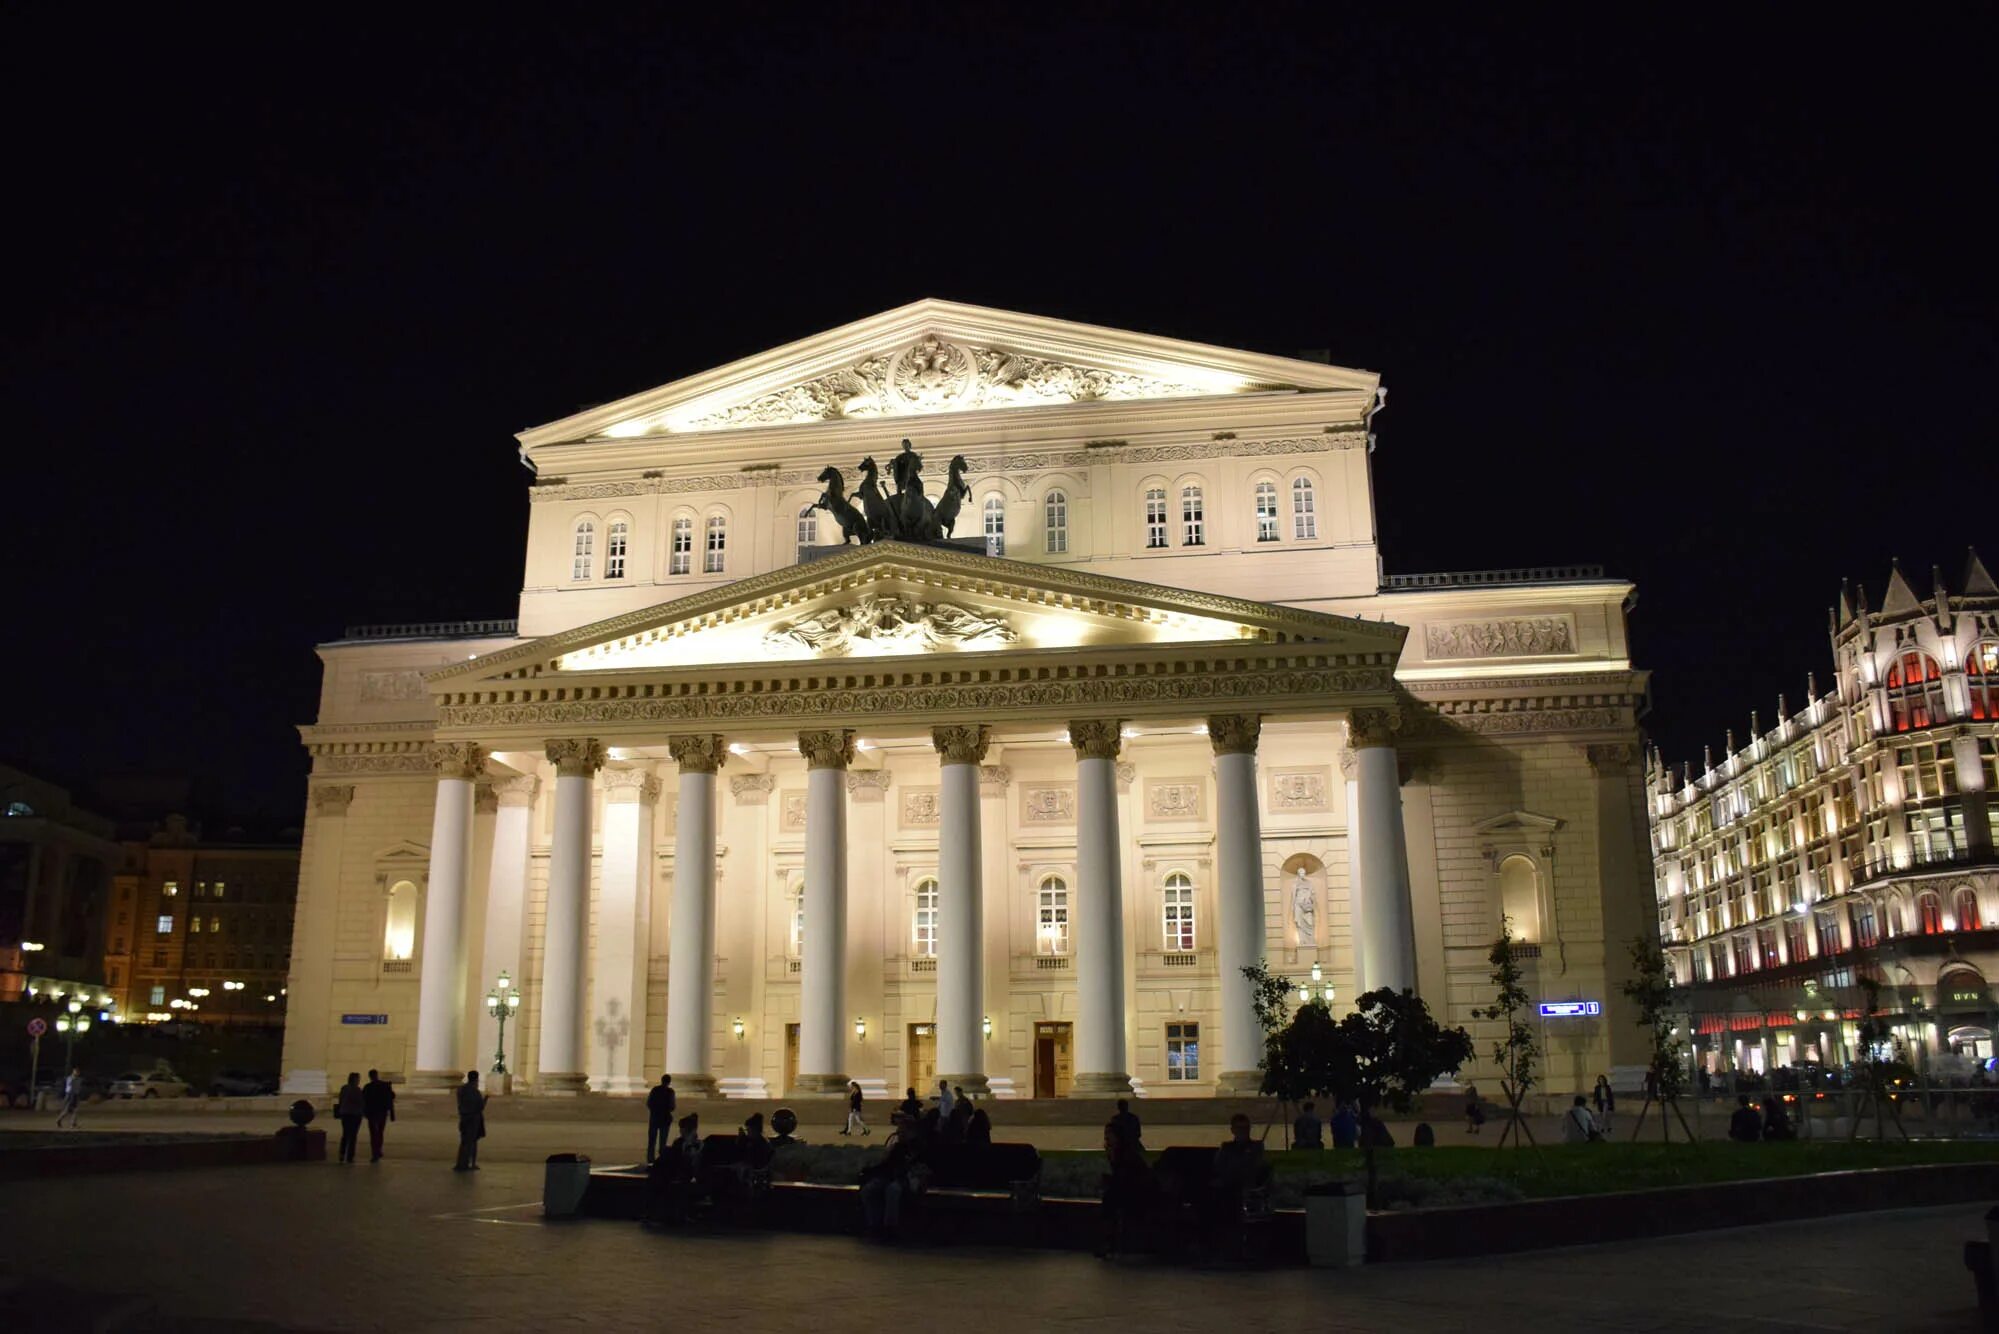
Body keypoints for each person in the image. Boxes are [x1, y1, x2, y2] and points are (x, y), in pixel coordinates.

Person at [1098, 1120, 1158, 1259]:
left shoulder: (1125, 1155)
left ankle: (1109, 1241)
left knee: (1110, 1202)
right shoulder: (1118, 1153)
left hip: (1138, 1191)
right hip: (1131, 1189)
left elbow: (1127, 1178)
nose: (1106, 1137)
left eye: (1109, 1134)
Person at [453, 1070, 487, 1171]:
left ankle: (460, 1162)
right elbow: (480, 1106)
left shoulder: (461, 1090)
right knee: (472, 1142)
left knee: (464, 1142)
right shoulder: (475, 1091)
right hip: (473, 1119)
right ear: (476, 1079)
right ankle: (471, 1163)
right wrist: (486, 1099)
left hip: (464, 1118)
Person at [362, 1069, 396, 1162]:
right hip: (382, 1112)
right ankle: (378, 1150)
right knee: (380, 1132)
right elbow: (392, 1096)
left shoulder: (368, 1087)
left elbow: (363, 1099)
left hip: (372, 1113)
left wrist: (364, 1112)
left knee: (373, 1134)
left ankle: (375, 1152)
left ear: (370, 1077)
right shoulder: (384, 1085)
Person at [333, 1072, 365, 1164]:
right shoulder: (357, 1090)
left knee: (345, 1134)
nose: (359, 1081)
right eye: (358, 1079)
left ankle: (342, 1154)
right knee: (353, 1135)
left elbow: (341, 1100)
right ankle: (350, 1156)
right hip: (355, 1114)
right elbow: (360, 1102)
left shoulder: (344, 1088)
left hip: (345, 1113)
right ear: (355, 1080)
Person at [646, 1074, 676, 1163]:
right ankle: (661, 1159)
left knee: (652, 1140)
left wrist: (654, 1110)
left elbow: (649, 1103)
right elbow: (672, 1106)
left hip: (654, 1117)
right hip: (665, 1118)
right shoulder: (670, 1092)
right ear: (669, 1082)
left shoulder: (655, 1090)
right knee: (663, 1141)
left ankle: (650, 1158)